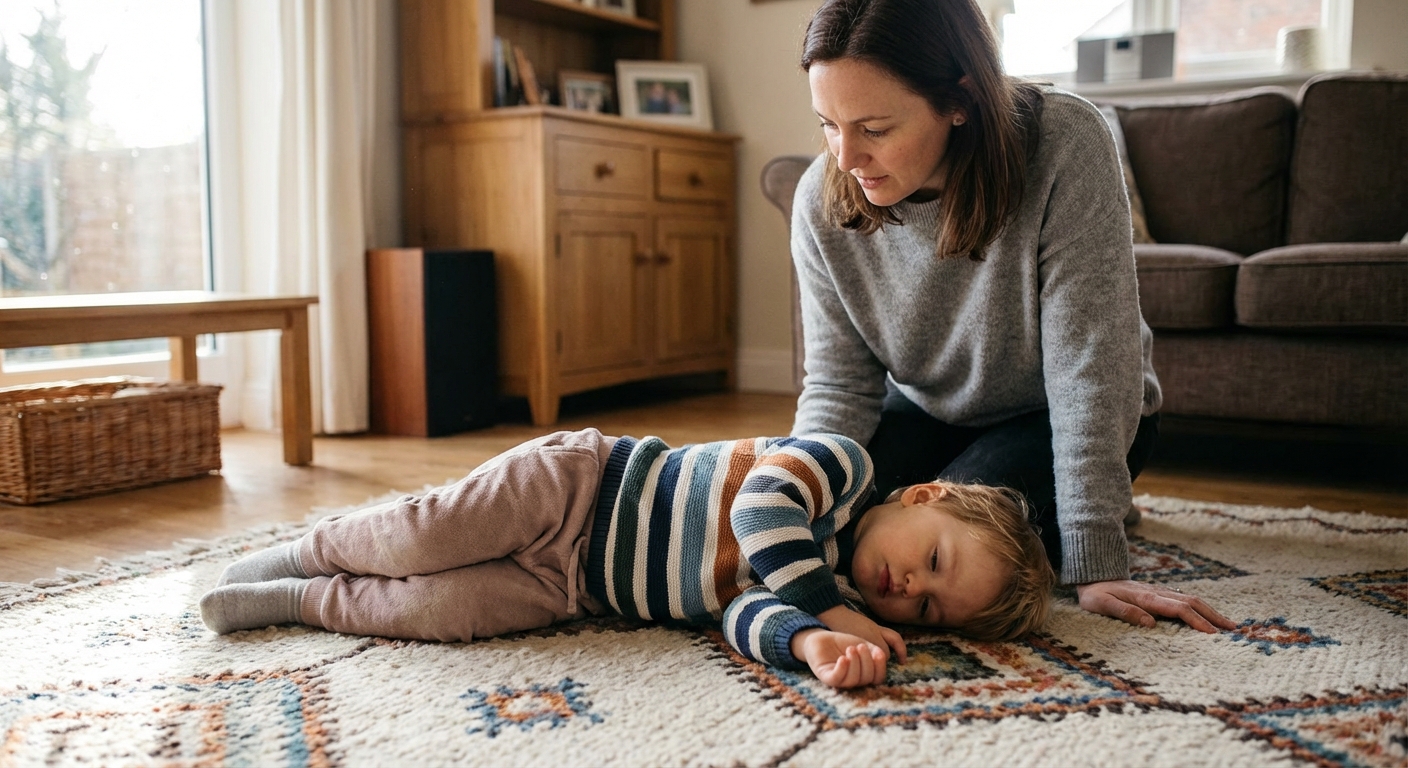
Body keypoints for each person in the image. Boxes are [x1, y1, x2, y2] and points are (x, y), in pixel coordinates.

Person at [790, 0, 1235, 634]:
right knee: (844, 531)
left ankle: (1084, 503)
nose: (846, 157)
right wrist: (790, 494)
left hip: (1054, 413)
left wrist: (1095, 553)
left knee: (957, 557)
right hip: (925, 408)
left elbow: (1091, 368)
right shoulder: (819, 199)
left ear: (959, 99)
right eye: (829, 124)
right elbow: (838, 387)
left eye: (876, 129)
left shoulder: (1065, 142)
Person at [201, 429, 1054, 689]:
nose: (911, 590)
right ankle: (303, 553)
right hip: (578, 486)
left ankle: (302, 604)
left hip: (573, 585)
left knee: (438, 613)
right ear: (922, 499)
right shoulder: (844, 468)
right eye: (934, 562)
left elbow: (738, 612)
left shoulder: (816, 592)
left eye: (931, 610)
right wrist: (832, 612)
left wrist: (806, 643)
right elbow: (759, 509)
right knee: (419, 536)